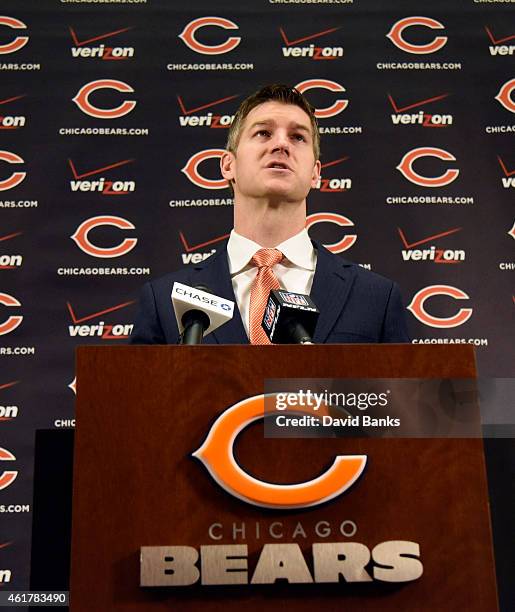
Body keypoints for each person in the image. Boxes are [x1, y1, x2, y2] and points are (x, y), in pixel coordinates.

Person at [130, 84, 409, 345]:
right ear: (228, 165)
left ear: (315, 173)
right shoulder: (162, 301)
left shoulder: (376, 298)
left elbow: (402, 398)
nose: (281, 145)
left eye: (298, 137)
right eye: (263, 133)